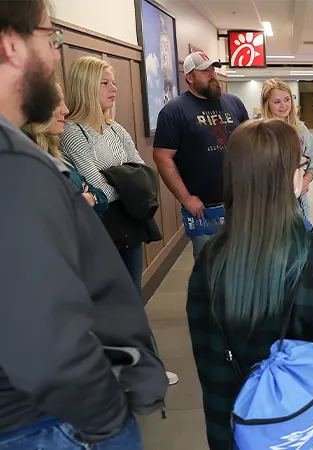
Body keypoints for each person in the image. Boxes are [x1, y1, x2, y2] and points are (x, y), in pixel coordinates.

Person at [0, 1, 168, 448]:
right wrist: (110, 418)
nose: (56, 53)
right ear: (11, 43)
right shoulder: (17, 168)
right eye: (49, 36)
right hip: (44, 422)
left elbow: (138, 176)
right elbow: (42, 327)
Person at [187, 119, 313, 450]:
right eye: (301, 164)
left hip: (240, 433)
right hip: (309, 429)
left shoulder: (208, 262)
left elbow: (210, 366)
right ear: (289, 178)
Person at [61, 56, 149, 294]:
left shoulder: (115, 128)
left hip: (130, 225)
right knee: (113, 303)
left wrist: (115, 178)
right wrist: (127, 180)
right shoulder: (72, 133)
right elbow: (99, 192)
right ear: (86, 86)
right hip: (101, 230)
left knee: (133, 294)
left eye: (114, 83)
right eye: (105, 83)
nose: (114, 89)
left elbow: (145, 175)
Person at [153, 51, 249, 260]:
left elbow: (250, 146)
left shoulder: (234, 103)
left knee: (244, 263)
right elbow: (162, 157)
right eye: (205, 72)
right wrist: (186, 198)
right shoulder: (174, 111)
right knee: (209, 268)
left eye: (213, 70)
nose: (212, 75)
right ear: (190, 77)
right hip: (205, 210)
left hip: (240, 202)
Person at [22, 79, 108, 217]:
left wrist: (90, 198)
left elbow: (101, 197)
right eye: (57, 103)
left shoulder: (58, 154)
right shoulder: (24, 159)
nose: (66, 110)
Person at [261, 78, 313, 220]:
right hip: (270, 204)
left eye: (287, 99)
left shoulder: (301, 130)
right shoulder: (260, 133)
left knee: (301, 239)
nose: (284, 105)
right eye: (277, 102)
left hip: (299, 202)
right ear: (266, 103)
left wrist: (306, 180)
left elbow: (312, 162)